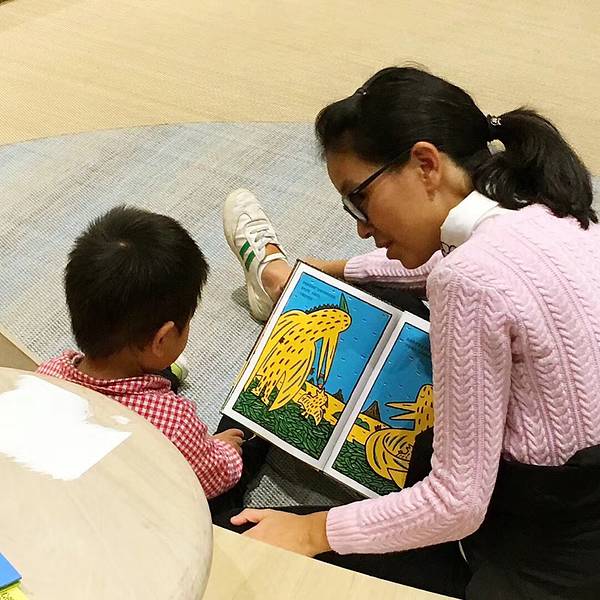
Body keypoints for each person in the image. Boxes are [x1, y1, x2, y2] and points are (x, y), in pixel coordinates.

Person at [221, 66, 600, 599]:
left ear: (425, 164)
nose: (361, 226)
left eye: (359, 199)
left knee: (237, 540)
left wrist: (312, 531)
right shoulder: (552, 212)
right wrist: (326, 271)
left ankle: (233, 445)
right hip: (578, 492)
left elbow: (456, 503)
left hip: (535, 546)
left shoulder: (469, 281)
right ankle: (281, 279)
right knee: (379, 295)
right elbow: (431, 264)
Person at [37, 205, 267, 504]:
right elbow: (215, 476)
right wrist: (223, 449)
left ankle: (161, 375)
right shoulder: (175, 425)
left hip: (66, 499)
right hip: (140, 514)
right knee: (246, 433)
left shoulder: (48, 374)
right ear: (162, 339)